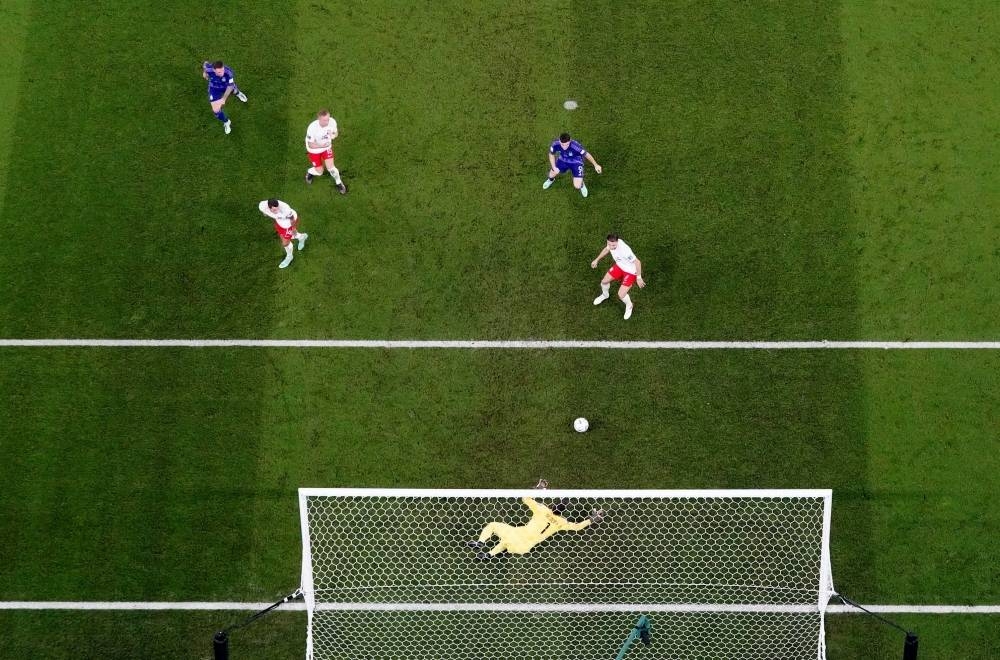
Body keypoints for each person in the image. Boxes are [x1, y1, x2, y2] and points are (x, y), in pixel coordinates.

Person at [467, 496, 603, 560]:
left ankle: (481, 542)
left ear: (553, 505)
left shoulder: (542, 509)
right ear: (562, 511)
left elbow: (525, 498)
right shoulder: (561, 522)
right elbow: (577, 527)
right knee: (506, 542)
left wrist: (539, 489)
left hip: (518, 534)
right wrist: (592, 519)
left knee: (493, 526)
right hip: (524, 547)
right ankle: (488, 555)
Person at [591, 233, 645, 320]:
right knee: (604, 282)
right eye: (609, 244)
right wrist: (596, 260)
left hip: (630, 272)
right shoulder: (610, 244)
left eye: (613, 245)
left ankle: (629, 305)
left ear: (617, 242)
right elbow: (606, 249)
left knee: (621, 295)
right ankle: (605, 295)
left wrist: (639, 277)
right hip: (620, 266)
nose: (611, 246)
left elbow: (638, 262)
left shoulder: (625, 250)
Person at [542, 132, 602, 197]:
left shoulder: (576, 146)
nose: (564, 147)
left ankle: (581, 184)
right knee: (551, 174)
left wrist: (596, 165)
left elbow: (586, 154)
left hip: (576, 162)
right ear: (559, 141)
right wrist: (554, 167)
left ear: (570, 140)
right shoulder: (555, 144)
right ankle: (551, 180)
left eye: (567, 144)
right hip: (563, 160)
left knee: (577, 186)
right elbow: (551, 154)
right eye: (562, 144)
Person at [305, 110, 348, 194]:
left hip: (326, 148)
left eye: (328, 119)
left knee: (331, 168)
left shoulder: (332, 122)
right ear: (319, 119)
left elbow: (335, 133)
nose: (327, 121)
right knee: (320, 172)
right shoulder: (312, 128)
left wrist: (333, 136)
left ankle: (339, 183)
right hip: (314, 150)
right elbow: (311, 144)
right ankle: (310, 172)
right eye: (325, 120)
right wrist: (323, 145)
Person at [257, 198, 308, 269]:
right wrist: (265, 213)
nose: (277, 210)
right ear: (269, 207)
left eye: (277, 208)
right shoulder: (262, 206)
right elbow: (263, 211)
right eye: (274, 210)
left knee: (285, 243)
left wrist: (293, 228)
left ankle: (289, 257)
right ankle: (302, 237)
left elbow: (292, 219)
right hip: (280, 222)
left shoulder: (285, 208)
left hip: (289, 223)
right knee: (290, 237)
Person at [202, 60, 247, 134]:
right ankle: (226, 122)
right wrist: (205, 74)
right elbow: (205, 64)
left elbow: (230, 86)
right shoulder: (209, 69)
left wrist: (223, 98)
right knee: (216, 111)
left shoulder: (228, 72)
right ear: (214, 70)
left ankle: (238, 93)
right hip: (214, 88)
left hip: (226, 86)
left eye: (222, 70)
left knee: (234, 91)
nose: (222, 73)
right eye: (219, 72)